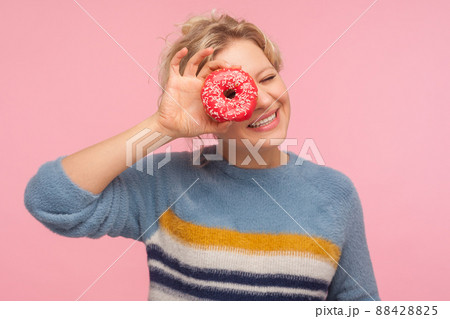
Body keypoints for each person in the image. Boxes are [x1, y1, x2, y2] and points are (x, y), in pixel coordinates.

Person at [24, 11, 380, 301]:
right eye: (233, 89)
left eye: (268, 77)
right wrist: (163, 126)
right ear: (204, 105)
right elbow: (53, 202)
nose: (260, 100)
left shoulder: (336, 194)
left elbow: (360, 305)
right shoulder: (167, 180)